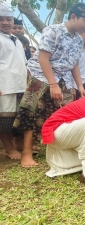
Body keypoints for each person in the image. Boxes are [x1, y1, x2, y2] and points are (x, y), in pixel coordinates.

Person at [13, 2, 85, 168]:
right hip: (40, 76)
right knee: (32, 111)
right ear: (74, 17)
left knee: (64, 113)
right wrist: (52, 84)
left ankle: (59, 148)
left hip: (63, 78)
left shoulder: (79, 41)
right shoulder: (53, 31)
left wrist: (79, 86)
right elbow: (43, 58)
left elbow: (75, 64)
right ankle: (26, 152)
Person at [0, 4, 27, 160]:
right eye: (1, 19)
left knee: (19, 117)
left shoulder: (16, 39)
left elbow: (23, 63)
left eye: (8, 19)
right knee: (5, 119)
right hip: (5, 85)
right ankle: (9, 149)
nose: (5, 22)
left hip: (19, 84)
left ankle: (18, 144)